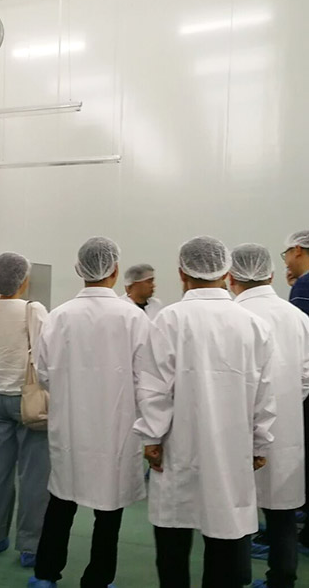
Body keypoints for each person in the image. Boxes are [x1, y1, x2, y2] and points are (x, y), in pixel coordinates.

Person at [134, 236, 277, 588]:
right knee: (225, 535)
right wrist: (260, 443)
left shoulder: (169, 320)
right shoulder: (253, 325)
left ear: (182, 273)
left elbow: (153, 388)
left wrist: (152, 438)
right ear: (227, 272)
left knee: (174, 537)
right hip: (233, 450)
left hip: (177, 448)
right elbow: (264, 394)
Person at [27, 237, 151, 588]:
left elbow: (44, 372)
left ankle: (46, 574)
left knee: (61, 502)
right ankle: (97, 580)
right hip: (116, 430)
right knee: (108, 512)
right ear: (115, 270)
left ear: (79, 269)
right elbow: (147, 379)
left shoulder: (59, 316)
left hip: (70, 426)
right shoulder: (133, 318)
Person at [229, 243, 309, 588]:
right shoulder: (298, 318)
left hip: (237, 430)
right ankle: (282, 579)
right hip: (286, 430)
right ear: (272, 275)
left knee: (236, 513)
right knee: (282, 513)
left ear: (230, 277)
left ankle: (236, 578)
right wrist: (283, 403)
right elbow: (305, 378)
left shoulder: (230, 316)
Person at [0, 252, 50, 568]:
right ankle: (31, 547)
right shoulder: (33, 310)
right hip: (28, 399)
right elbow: (46, 353)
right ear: (23, 281)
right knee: (33, 474)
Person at [282, 230, 309, 552]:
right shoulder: (301, 286)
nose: (287, 260)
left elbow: (300, 342)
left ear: (298, 250)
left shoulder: (304, 287)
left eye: (286, 253)